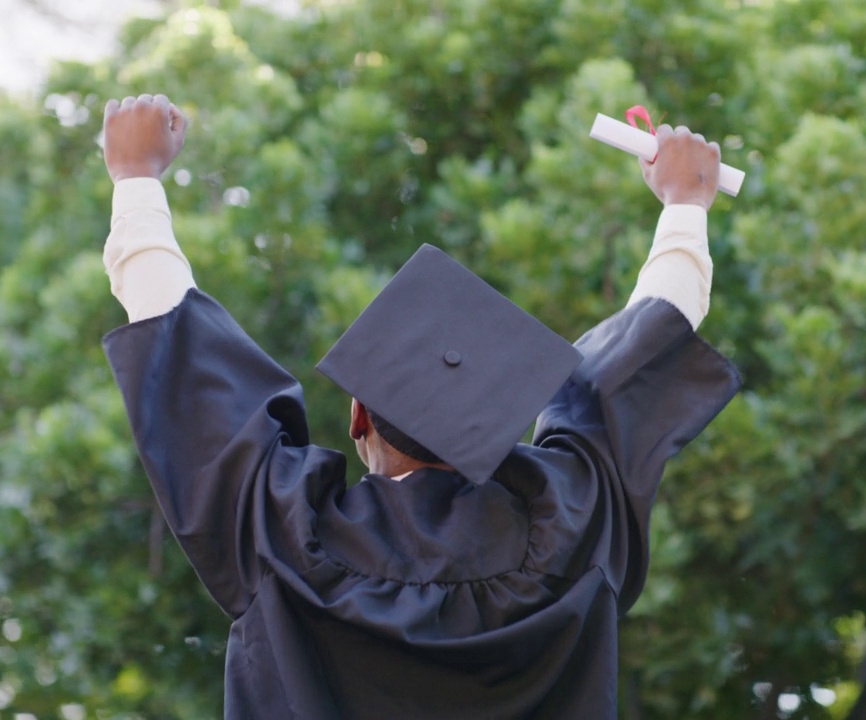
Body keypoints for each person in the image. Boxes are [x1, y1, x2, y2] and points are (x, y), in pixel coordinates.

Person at [100, 93, 740, 719]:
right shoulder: (574, 526)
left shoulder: (282, 534)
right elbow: (639, 356)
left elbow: (182, 350)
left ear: (359, 416)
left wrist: (135, 176)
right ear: (493, 426)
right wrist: (685, 204)